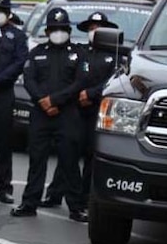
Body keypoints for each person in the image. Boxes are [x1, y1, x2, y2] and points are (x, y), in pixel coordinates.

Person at [12, 7, 89, 222]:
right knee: (37, 160)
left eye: (62, 29)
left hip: (67, 114)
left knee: (70, 161)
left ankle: (76, 207)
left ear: (69, 30)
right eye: (54, 29)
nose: (58, 32)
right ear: (47, 31)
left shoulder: (78, 53)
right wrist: (42, 101)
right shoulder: (36, 53)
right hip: (41, 114)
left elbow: (80, 82)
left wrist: (55, 101)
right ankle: (29, 203)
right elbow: (29, 80)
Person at [39, 11, 118, 208]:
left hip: (99, 111)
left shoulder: (114, 55)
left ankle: (85, 198)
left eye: (98, 29)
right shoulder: (79, 51)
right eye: (91, 29)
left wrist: (91, 94)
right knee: (68, 153)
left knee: (92, 156)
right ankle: (55, 194)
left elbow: (114, 82)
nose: (94, 32)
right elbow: (71, 78)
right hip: (74, 109)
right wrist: (77, 94)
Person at [0, 0, 28, 204]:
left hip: (3, 94)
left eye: (2, 10)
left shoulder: (17, 36)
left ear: (9, 12)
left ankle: (4, 188)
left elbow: (19, 63)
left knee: (3, 145)